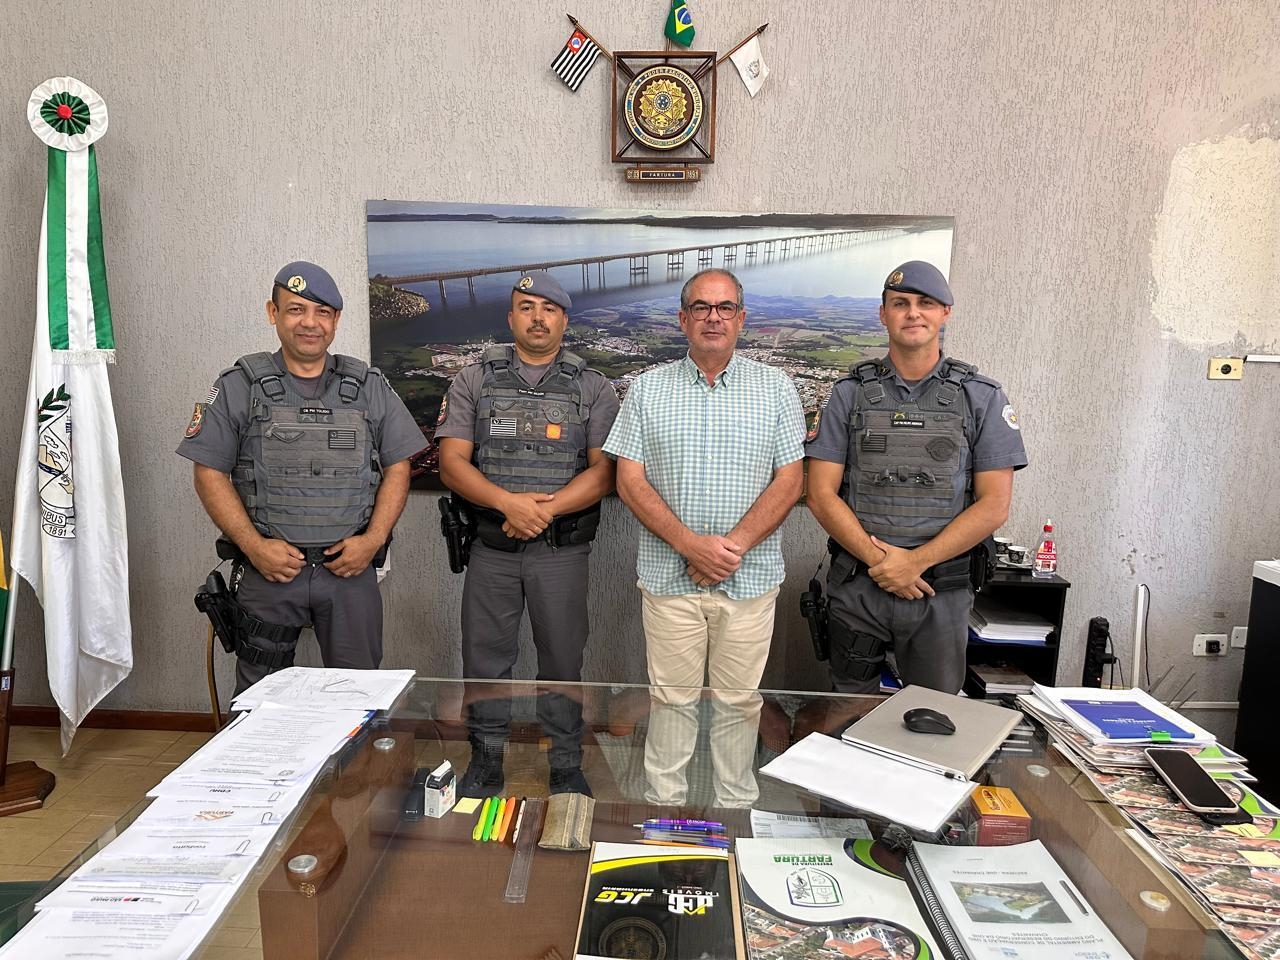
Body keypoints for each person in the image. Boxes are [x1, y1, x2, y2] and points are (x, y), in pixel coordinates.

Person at [604, 268, 805, 807]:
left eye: (724, 308)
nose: (712, 317)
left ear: (741, 318)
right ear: (683, 319)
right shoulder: (647, 389)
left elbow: (791, 481)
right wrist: (690, 545)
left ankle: (734, 806)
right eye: (701, 307)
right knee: (671, 699)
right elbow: (629, 480)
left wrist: (728, 548)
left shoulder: (777, 389)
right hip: (671, 580)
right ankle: (665, 803)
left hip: (750, 579)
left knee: (739, 703)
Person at [178, 261, 423, 695]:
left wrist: (372, 541)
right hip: (270, 572)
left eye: (322, 312)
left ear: (336, 320)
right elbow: (209, 472)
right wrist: (255, 548)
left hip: (349, 572)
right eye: (296, 309)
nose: (310, 322)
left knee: (357, 695)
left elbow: (398, 467)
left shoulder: (368, 386)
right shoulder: (239, 385)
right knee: (261, 698)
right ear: (272, 313)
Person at [805, 260, 1028, 694]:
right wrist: (883, 563)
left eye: (925, 303)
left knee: (932, 716)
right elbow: (820, 494)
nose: (913, 313)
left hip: (938, 592)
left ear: (945, 312)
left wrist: (914, 563)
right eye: (900, 303)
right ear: (883, 313)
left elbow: (994, 505)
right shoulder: (849, 394)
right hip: (860, 587)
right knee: (847, 712)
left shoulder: (981, 397)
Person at [436, 271, 618, 797]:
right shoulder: (473, 380)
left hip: (560, 551)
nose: (538, 318)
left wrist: (545, 510)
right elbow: (452, 463)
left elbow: (605, 473)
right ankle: (486, 759)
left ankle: (565, 763)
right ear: (510, 317)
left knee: (562, 660)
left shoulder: (593, 386)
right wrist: (507, 504)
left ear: (564, 319)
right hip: (492, 548)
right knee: (485, 660)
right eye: (526, 307)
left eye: (549, 309)